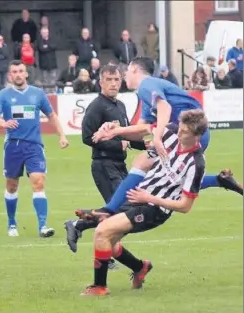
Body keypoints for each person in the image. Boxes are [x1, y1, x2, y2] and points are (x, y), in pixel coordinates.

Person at [75, 56, 242, 224]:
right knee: (172, 175)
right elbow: (140, 130)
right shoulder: (146, 96)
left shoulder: (146, 85)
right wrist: (113, 131)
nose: (124, 77)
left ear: (134, 69)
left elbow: (165, 107)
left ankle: (108, 210)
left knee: (143, 163)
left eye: (125, 73)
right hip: (190, 133)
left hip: (189, 131)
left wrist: (156, 138)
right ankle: (220, 180)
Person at [67, 109, 208, 296]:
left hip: (155, 208)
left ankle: (99, 287)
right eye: (180, 129)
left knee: (102, 231)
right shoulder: (174, 132)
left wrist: (150, 198)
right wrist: (115, 131)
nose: (179, 133)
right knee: (110, 243)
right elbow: (145, 129)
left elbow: (185, 206)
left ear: (197, 135)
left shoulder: (196, 163)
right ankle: (140, 267)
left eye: (185, 132)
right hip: (138, 195)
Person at [77, 64, 148, 268]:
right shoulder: (97, 106)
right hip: (103, 165)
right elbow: (87, 137)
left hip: (119, 165)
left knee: (123, 210)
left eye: (116, 79)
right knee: (120, 210)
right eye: (109, 80)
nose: (113, 83)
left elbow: (125, 137)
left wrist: (145, 145)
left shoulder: (120, 105)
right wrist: (117, 144)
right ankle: (84, 229)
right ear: (100, 82)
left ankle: (93, 236)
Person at [0, 60, 69, 237]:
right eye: (14, 72)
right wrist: (3, 123)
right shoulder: (3, 95)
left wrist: (62, 135)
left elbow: (51, 115)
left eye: (21, 71)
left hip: (34, 146)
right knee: (11, 185)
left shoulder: (37, 94)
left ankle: (43, 226)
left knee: (38, 181)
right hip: (13, 146)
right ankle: (11, 223)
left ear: (26, 74)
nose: (18, 74)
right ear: (10, 75)